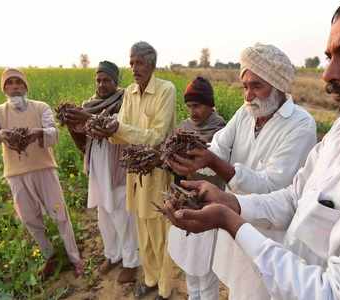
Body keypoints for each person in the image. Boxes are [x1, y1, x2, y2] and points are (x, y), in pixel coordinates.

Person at [165, 0, 340, 299]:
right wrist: (229, 200)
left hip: (277, 258)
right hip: (267, 255)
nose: (327, 75)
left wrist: (229, 216)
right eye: (329, 57)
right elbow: (293, 197)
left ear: (276, 86)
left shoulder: (304, 126)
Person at [168, 44, 316, 300]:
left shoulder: (301, 125)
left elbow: (273, 184)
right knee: (238, 287)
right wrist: (193, 161)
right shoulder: (245, 113)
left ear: (278, 85)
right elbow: (219, 147)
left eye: (257, 86)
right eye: (245, 86)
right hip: (235, 222)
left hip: (270, 232)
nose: (248, 95)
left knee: (259, 290)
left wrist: (213, 162)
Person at [89, 42, 176, 300]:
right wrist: (107, 130)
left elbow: (158, 136)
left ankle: (164, 288)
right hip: (134, 173)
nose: (134, 68)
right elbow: (121, 134)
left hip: (157, 171)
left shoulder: (165, 90)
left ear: (151, 64)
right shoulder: (129, 92)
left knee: (160, 233)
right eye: (131, 63)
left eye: (139, 62)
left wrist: (117, 130)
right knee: (142, 231)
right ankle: (149, 279)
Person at [0, 68, 83, 278]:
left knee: (60, 214)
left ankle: (75, 258)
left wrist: (38, 133)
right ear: (4, 88)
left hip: (44, 169)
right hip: (16, 174)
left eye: (19, 83)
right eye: (10, 83)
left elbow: (53, 132)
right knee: (29, 219)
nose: (15, 86)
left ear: (26, 87)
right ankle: (50, 256)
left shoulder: (40, 107)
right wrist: (0, 134)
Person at [64, 61, 140, 283]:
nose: (102, 84)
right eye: (98, 79)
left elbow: (121, 128)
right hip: (98, 164)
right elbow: (82, 138)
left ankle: (131, 262)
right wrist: (71, 122)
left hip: (116, 165)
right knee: (104, 216)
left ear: (116, 82)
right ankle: (112, 255)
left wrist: (87, 119)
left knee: (123, 216)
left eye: (106, 80)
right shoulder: (88, 105)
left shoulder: (125, 101)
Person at [168, 77, 226, 300]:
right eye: (189, 106)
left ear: (210, 105)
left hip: (210, 207)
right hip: (186, 202)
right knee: (189, 263)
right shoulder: (183, 129)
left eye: (198, 105)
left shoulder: (222, 131)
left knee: (206, 268)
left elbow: (222, 169)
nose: (193, 111)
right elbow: (176, 172)